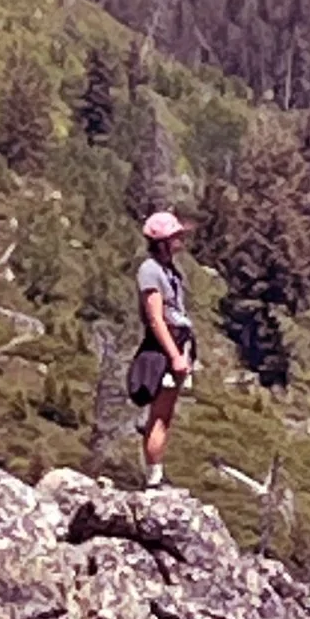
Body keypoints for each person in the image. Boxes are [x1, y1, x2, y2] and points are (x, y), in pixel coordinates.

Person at [128, 209, 197, 487]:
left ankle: (155, 472)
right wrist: (175, 357)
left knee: (164, 415)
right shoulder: (151, 271)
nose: (181, 240)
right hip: (164, 348)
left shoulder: (168, 270)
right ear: (162, 241)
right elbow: (156, 318)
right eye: (175, 236)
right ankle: (154, 478)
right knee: (159, 416)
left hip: (177, 344)